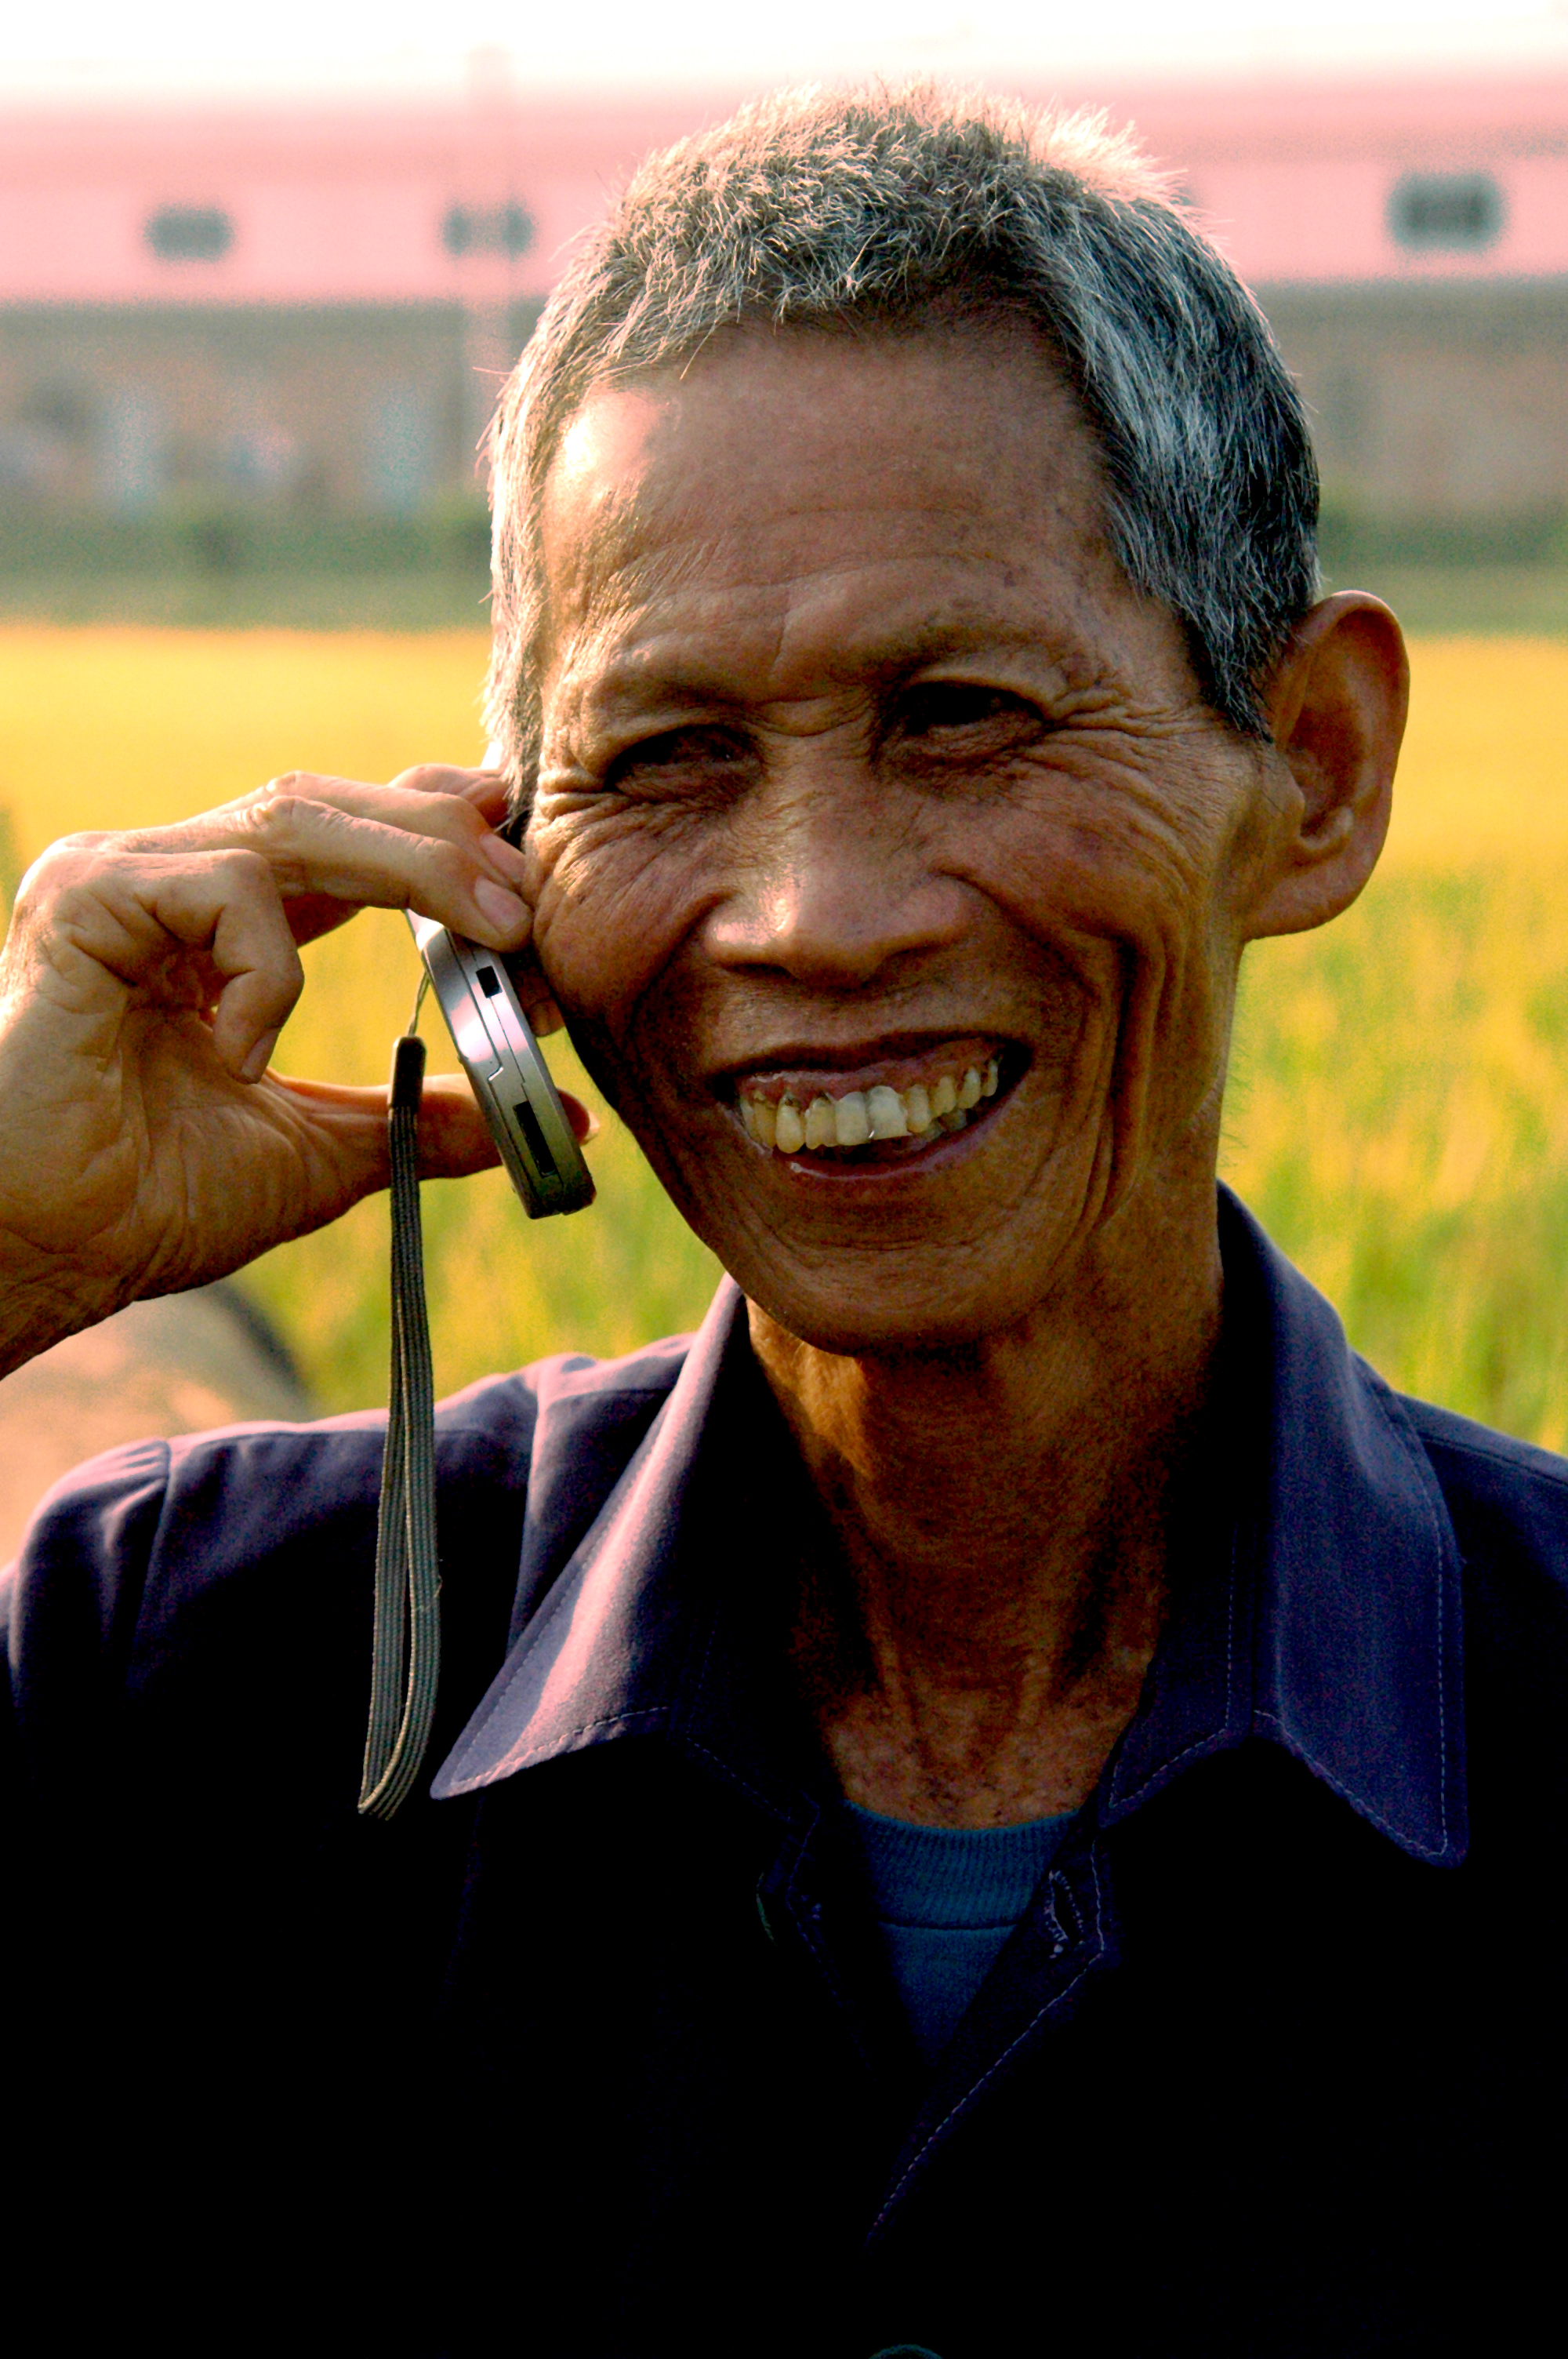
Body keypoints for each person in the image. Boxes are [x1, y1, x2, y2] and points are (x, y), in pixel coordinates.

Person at [3, 84, 1563, 2359]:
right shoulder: (197, 1677)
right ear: (499, 883)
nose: (814, 917)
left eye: (959, 716)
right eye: (662, 761)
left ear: (1310, 768)